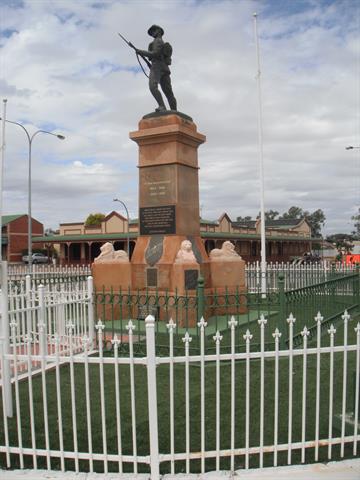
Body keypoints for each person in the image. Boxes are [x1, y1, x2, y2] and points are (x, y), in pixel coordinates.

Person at [133, 25, 177, 112]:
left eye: (154, 30)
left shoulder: (158, 41)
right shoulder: (156, 42)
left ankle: (162, 106)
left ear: (159, 31)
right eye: (152, 32)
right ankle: (174, 111)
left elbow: (155, 54)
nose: (153, 33)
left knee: (153, 86)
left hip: (158, 67)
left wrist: (140, 51)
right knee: (169, 93)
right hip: (163, 68)